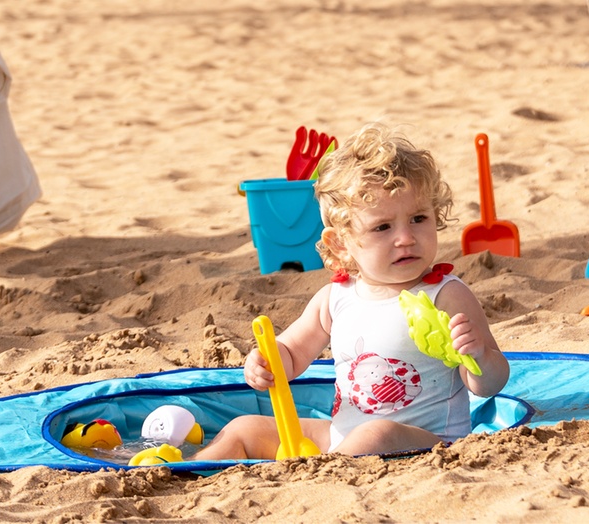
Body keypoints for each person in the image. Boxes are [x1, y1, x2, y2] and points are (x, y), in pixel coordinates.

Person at [192, 122, 510, 460]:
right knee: (243, 428)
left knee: (376, 431)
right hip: (341, 438)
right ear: (341, 244)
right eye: (383, 227)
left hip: (427, 442)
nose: (405, 237)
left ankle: (322, 473)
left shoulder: (446, 295)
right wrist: (266, 363)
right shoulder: (337, 297)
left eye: (419, 218)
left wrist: (477, 357)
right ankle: (183, 473)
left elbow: (491, 382)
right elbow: (292, 353)